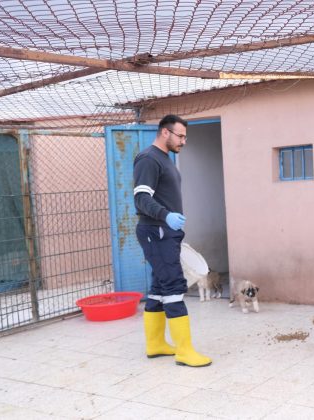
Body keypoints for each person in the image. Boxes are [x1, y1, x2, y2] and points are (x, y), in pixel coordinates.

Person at [134, 114, 211, 367]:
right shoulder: (148, 159)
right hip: (156, 230)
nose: (184, 141)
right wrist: (166, 216)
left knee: (159, 288)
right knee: (174, 287)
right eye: (180, 136)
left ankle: (155, 344)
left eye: (185, 136)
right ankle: (184, 351)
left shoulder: (164, 160)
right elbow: (141, 199)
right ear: (165, 132)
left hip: (165, 233)